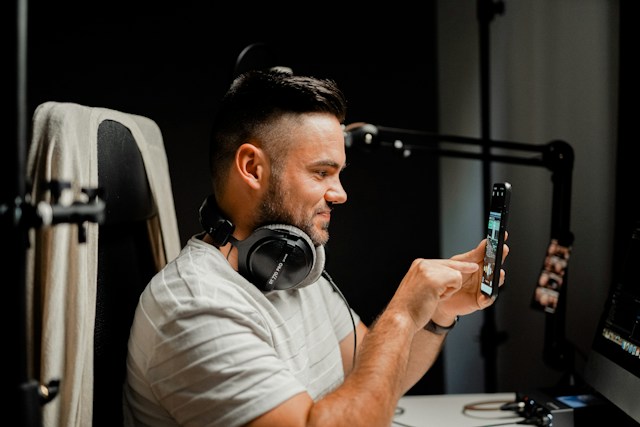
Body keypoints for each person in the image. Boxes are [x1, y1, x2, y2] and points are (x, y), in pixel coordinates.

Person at [123, 68, 509, 427]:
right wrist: (401, 316)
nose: (340, 193)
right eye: (321, 172)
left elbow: (373, 378)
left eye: (339, 174)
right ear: (253, 168)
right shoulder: (195, 307)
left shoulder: (291, 270)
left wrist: (437, 313)